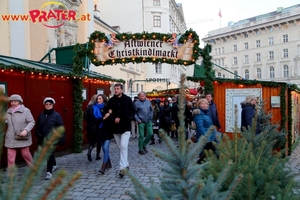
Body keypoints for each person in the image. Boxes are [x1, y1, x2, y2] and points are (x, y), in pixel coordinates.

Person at [107, 83, 135, 178]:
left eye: (118, 89)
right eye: (115, 89)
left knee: (123, 146)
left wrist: (127, 118)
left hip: (125, 127)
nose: (116, 90)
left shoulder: (127, 99)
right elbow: (108, 112)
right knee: (121, 147)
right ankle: (126, 164)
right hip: (115, 128)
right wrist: (113, 118)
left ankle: (122, 168)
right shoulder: (111, 101)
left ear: (122, 89)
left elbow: (132, 111)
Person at [36, 97, 64, 180]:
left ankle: (49, 172)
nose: (48, 106)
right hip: (42, 138)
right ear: (44, 105)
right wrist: (38, 134)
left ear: (52, 105)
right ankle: (54, 165)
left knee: (49, 153)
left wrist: (61, 138)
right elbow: (37, 126)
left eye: (50, 104)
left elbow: (60, 127)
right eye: (46, 104)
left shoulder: (56, 115)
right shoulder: (41, 115)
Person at [5, 94, 35, 168]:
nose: (13, 103)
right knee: (10, 158)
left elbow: (31, 122)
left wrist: (26, 130)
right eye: (12, 101)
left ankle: (33, 171)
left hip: (22, 136)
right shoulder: (8, 111)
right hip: (11, 137)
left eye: (15, 101)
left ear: (19, 102)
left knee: (26, 155)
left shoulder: (26, 111)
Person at [91, 94, 113, 174]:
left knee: (106, 148)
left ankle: (103, 167)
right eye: (97, 99)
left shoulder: (107, 108)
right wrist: (103, 118)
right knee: (104, 149)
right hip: (99, 131)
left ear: (103, 99)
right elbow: (94, 120)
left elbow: (111, 120)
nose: (98, 100)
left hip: (107, 131)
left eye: (100, 99)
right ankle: (109, 162)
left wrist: (109, 115)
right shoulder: (94, 108)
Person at [192, 98, 217, 164]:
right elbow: (200, 128)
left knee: (208, 155)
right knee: (206, 155)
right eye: (202, 104)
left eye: (206, 104)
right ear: (199, 105)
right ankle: (198, 166)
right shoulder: (199, 114)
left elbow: (210, 126)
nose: (204, 105)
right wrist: (207, 138)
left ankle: (202, 167)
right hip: (204, 138)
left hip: (210, 137)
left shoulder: (207, 114)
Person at [84, 94, 102, 161]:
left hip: (90, 125)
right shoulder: (98, 107)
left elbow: (85, 116)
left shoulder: (88, 107)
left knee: (91, 141)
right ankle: (97, 155)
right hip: (97, 125)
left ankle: (89, 152)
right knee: (99, 141)